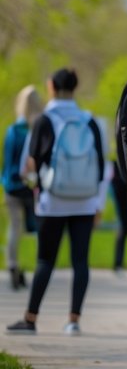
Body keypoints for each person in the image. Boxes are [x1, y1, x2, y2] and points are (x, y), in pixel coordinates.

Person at [6, 69, 108, 335]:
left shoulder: (43, 120)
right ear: (75, 88)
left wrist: (33, 181)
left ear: (50, 86)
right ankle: (73, 320)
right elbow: (101, 166)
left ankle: (30, 319)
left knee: (45, 261)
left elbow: (27, 167)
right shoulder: (89, 120)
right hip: (85, 202)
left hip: (53, 202)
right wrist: (98, 202)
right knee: (80, 262)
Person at [3, 85, 41, 291]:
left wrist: (6, 182)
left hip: (12, 186)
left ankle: (13, 266)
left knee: (15, 228)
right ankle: (36, 268)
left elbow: (8, 163)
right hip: (32, 186)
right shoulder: (38, 130)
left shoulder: (13, 131)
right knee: (36, 230)